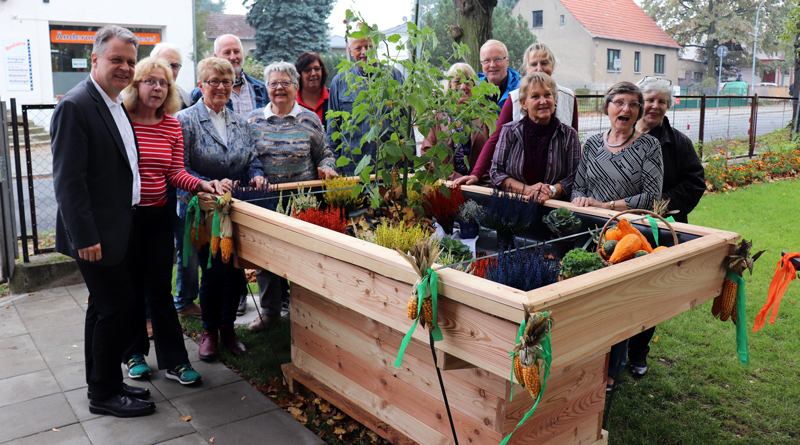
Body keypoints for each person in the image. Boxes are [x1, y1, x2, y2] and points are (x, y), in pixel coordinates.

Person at [51, 25, 155, 417]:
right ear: (95, 59)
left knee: (103, 307)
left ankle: (104, 383)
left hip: (117, 227)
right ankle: (105, 394)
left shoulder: (113, 102)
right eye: (117, 60)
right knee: (117, 306)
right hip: (95, 234)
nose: (125, 68)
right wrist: (85, 236)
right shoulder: (77, 105)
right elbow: (68, 181)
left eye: (131, 61)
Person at [119, 57, 222, 385]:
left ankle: (175, 362)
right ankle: (133, 353)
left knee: (160, 289)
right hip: (125, 218)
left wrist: (203, 184)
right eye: (150, 81)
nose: (158, 88)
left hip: (158, 216)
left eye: (163, 83)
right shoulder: (122, 120)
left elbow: (176, 172)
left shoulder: (171, 124)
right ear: (136, 86)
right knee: (131, 289)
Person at [570, 82, 664, 391]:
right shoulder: (593, 143)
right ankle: (582, 363)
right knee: (586, 304)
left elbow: (652, 196)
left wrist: (606, 205)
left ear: (638, 111)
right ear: (607, 107)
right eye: (619, 103)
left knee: (617, 306)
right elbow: (579, 187)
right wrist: (582, 201)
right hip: (590, 232)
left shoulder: (649, 146)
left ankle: (610, 371)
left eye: (633, 105)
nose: (626, 109)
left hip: (627, 235)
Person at [177, 57, 266, 361]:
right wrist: (210, 183)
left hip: (235, 209)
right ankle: (209, 332)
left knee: (233, 274)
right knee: (213, 272)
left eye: (226, 81)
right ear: (200, 85)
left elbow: (251, 158)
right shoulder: (185, 120)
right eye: (213, 81)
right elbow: (181, 168)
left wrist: (256, 174)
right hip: (202, 212)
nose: (220, 87)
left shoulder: (240, 122)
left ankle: (228, 329)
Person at [246, 61, 338, 331]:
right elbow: (248, 159)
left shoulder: (309, 118)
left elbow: (325, 153)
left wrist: (327, 168)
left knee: (302, 256)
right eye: (274, 83)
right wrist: (255, 175)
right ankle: (271, 311)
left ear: (295, 87)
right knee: (266, 258)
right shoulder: (253, 120)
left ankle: (305, 310)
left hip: (303, 200)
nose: (279, 88)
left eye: (285, 83)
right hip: (266, 201)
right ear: (266, 88)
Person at [626, 77, 705, 377]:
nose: (654, 106)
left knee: (649, 293)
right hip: (621, 225)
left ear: (668, 106)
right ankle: (613, 352)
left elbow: (695, 182)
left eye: (661, 101)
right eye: (649, 99)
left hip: (661, 227)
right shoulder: (622, 134)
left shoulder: (678, 143)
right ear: (637, 100)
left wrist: (660, 204)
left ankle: (638, 353)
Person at [455, 43, 579, 186]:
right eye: (533, 64)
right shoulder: (514, 98)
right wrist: (476, 174)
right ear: (526, 68)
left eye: (544, 63)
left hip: (556, 186)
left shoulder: (569, 96)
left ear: (552, 66)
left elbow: (574, 141)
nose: (539, 68)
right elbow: (495, 138)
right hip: (521, 184)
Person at [151, 42, 202, 318]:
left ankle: (184, 300)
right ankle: (150, 313)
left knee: (188, 244)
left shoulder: (184, 97)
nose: (171, 70)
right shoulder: (134, 97)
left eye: (175, 65)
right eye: (165, 63)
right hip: (151, 189)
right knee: (155, 253)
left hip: (181, 183)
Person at [490, 72, 581, 204]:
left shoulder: (569, 135)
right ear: (524, 103)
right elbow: (496, 173)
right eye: (535, 96)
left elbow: (574, 177)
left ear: (554, 99)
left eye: (548, 95)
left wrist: (550, 191)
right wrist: (528, 190)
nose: (543, 101)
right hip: (514, 206)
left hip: (554, 210)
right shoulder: (509, 131)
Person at [326, 24, 404, 176]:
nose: (364, 52)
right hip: (351, 169)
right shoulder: (340, 81)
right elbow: (333, 131)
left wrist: (408, 169)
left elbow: (404, 126)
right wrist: (335, 168)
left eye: (369, 46)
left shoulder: (393, 76)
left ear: (376, 45)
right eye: (358, 48)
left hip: (389, 170)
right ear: (350, 50)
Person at [420, 63, 490, 181]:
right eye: (457, 82)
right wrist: (454, 177)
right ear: (449, 86)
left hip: (478, 186)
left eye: (468, 82)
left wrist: (475, 178)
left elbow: (493, 155)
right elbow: (428, 155)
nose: (463, 86)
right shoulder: (437, 118)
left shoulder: (485, 117)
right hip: (446, 185)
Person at [190, 34, 269, 114]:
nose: (233, 57)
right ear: (216, 57)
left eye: (236, 52)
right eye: (227, 53)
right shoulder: (201, 92)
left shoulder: (261, 89)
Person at [477, 40, 520, 114]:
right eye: (487, 60)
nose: (492, 65)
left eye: (497, 59)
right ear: (481, 63)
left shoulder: (521, 91)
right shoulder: (473, 90)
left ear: (507, 61)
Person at [150, 42, 191, 109]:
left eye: (175, 66)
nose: (170, 71)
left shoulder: (186, 99)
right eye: (165, 64)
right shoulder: (141, 97)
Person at [295, 52, 330, 129]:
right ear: (298, 74)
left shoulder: (333, 98)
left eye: (317, 69)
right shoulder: (291, 103)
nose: (313, 73)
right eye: (307, 70)